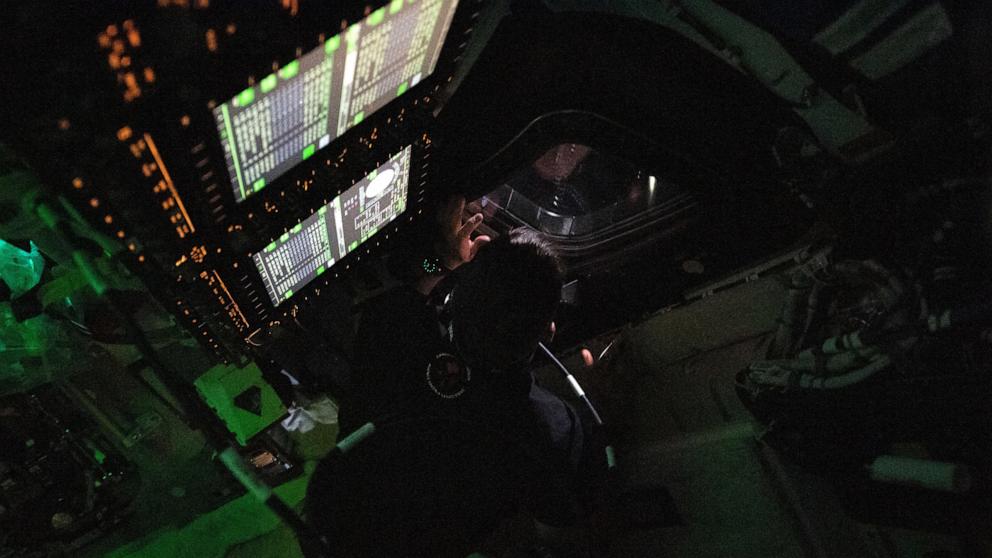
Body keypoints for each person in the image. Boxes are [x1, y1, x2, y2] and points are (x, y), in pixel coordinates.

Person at [305, 196, 600, 557]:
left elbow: (415, 273)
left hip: (342, 528)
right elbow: (559, 537)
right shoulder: (555, 431)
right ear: (548, 332)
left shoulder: (393, 326)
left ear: (456, 298)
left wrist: (446, 260)